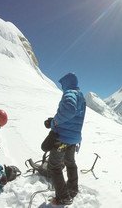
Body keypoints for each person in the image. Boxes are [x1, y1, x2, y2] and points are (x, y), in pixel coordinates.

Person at [45, 73, 86, 206]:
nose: (62, 87)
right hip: (73, 140)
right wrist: (55, 120)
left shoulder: (70, 93)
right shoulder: (81, 96)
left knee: (54, 166)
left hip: (62, 140)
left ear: (67, 82)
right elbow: (73, 116)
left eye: (63, 84)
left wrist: (54, 122)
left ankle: (63, 197)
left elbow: (69, 109)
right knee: (70, 162)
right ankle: (73, 189)